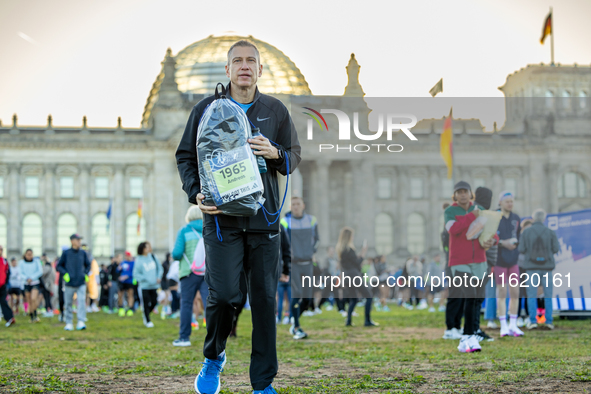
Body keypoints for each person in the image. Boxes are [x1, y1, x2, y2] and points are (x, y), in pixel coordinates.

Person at [175, 39, 301, 394]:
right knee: (226, 295)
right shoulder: (205, 109)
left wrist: (275, 153)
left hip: (265, 221)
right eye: (237, 61)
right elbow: (185, 156)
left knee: (264, 301)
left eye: (251, 61)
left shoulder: (275, 110)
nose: (244, 66)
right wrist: (195, 191)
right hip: (220, 221)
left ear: (260, 70)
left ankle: (262, 383)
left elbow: (293, 158)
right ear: (227, 70)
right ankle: (214, 356)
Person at [444, 181, 497, 353]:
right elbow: (453, 229)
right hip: (459, 261)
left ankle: (472, 333)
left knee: (476, 299)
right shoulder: (450, 211)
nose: (462, 195)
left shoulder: (480, 210)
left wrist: (492, 240)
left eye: (465, 191)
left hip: (480, 260)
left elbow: (492, 232)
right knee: (469, 294)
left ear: (470, 193)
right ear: (455, 195)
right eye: (458, 192)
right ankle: (466, 337)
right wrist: (472, 216)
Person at [280, 196, 318, 339]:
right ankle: (296, 327)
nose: (295, 206)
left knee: (307, 299)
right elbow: (282, 243)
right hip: (293, 264)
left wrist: (311, 252)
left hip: (307, 263)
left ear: (303, 205)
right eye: (293, 204)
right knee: (296, 294)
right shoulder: (285, 222)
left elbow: (317, 240)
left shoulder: (312, 221)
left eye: (298, 204)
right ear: (291, 207)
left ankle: (294, 320)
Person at [171, 206, 209, 346]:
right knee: (209, 304)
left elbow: (176, 254)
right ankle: (214, 339)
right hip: (207, 272)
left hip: (188, 272)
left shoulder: (184, 230)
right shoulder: (209, 228)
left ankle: (184, 338)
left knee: (186, 304)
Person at [518, 209, 560, 330]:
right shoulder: (550, 232)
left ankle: (532, 321)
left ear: (533, 218)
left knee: (531, 295)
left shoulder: (526, 232)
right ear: (544, 218)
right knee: (548, 295)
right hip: (547, 268)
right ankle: (549, 321)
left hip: (531, 268)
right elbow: (556, 249)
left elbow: (521, 249)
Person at [494, 191, 523, 337]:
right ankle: (503, 325)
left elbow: (518, 236)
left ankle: (513, 324)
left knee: (515, 292)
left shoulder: (516, 218)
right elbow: (489, 238)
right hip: (499, 260)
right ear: (500, 202)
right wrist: (502, 243)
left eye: (512, 201)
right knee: (501, 292)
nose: (510, 204)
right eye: (507, 201)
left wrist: (514, 244)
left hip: (513, 260)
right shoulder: (494, 217)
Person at [337, 227, 377, 327]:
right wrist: (363, 252)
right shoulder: (350, 250)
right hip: (354, 276)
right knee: (368, 295)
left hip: (346, 276)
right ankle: (367, 320)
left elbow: (350, 262)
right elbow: (357, 263)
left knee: (353, 299)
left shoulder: (341, 250)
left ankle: (348, 320)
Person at [57, 234, 91, 331]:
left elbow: (88, 265)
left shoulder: (83, 253)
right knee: (68, 303)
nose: (79, 242)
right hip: (69, 283)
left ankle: (81, 321)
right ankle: (69, 322)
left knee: (81, 301)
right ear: (72, 241)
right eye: (77, 240)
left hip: (81, 282)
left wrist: (85, 273)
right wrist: (65, 274)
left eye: (80, 240)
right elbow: (59, 266)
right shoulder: (66, 253)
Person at [133, 241, 162, 328]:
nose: (149, 248)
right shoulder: (138, 260)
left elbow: (159, 268)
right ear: (142, 249)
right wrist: (145, 279)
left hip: (154, 285)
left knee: (154, 302)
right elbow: (136, 274)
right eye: (147, 247)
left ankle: (146, 314)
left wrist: (158, 277)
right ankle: (148, 320)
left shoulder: (153, 257)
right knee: (145, 303)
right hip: (144, 286)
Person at [18, 249, 43, 323]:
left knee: (33, 298)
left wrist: (32, 278)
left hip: (34, 282)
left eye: (31, 254)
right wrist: (26, 278)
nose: (29, 256)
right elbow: (20, 273)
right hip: (26, 283)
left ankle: (35, 314)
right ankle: (32, 316)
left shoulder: (36, 262)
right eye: (28, 254)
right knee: (29, 300)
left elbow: (40, 271)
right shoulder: (21, 262)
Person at [276, 227, 292, 325]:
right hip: (286, 274)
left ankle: (278, 317)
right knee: (287, 298)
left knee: (280, 298)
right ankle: (287, 317)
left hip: (280, 273)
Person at [0, 246, 15, 327]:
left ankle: (10, 318)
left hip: (2, 286)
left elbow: (8, 272)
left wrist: (5, 283)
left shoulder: (5, 261)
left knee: (3, 302)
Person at [118, 252, 136, 317]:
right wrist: (119, 268)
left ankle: (130, 308)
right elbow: (118, 271)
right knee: (120, 294)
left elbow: (134, 272)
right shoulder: (123, 263)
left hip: (129, 281)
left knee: (130, 295)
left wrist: (127, 276)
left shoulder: (133, 263)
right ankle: (121, 308)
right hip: (122, 282)